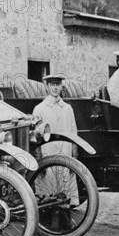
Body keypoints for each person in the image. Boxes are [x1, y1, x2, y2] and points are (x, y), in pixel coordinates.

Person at [32, 74, 79, 207]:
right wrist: (38, 162)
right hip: (48, 152)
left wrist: (75, 156)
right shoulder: (39, 109)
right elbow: (36, 137)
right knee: (47, 191)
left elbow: (73, 132)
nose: (55, 88)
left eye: (58, 84)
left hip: (65, 151)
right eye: (52, 85)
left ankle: (65, 215)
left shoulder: (68, 108)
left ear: (61, 86)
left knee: (65, 191)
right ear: (47, 86)